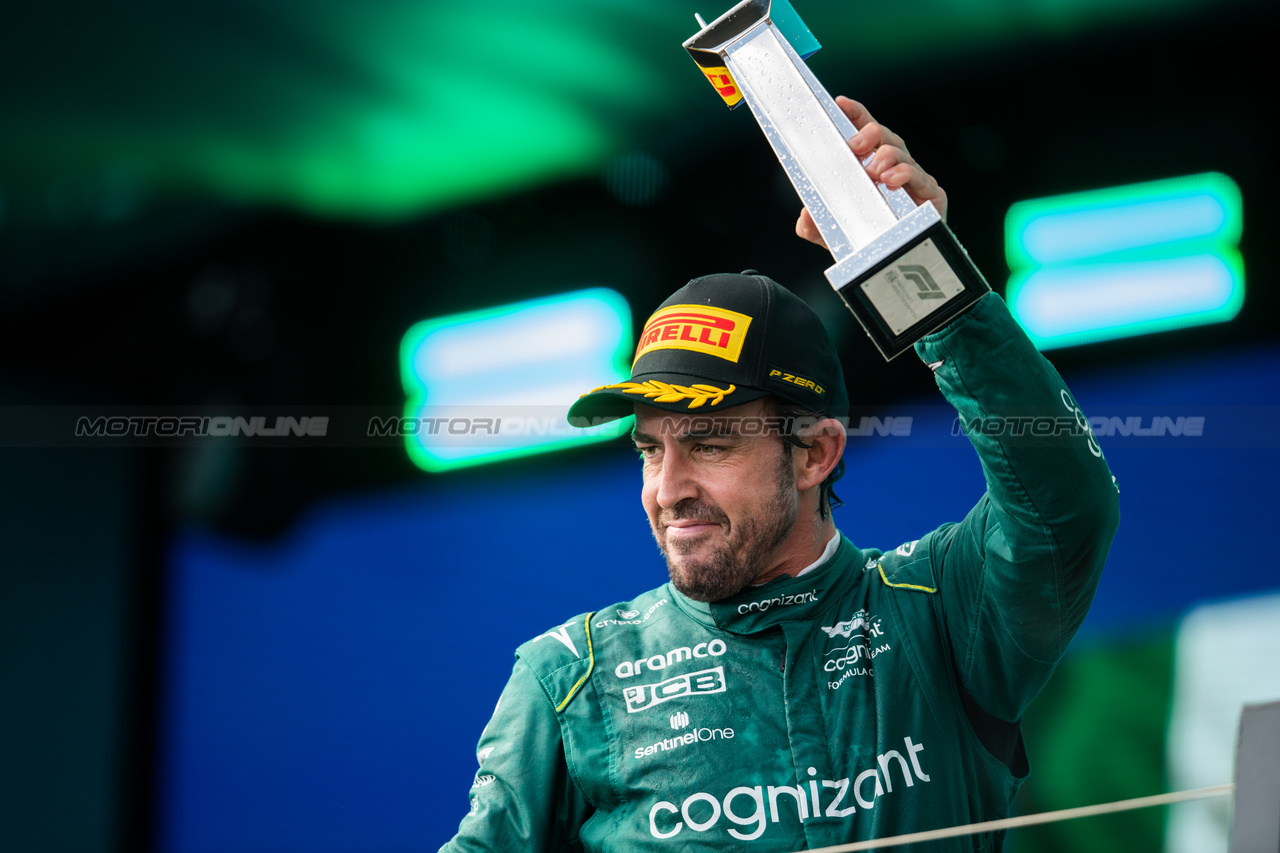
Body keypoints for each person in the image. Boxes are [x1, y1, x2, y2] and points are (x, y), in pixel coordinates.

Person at [441, 97, 1120, 851]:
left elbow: (1066, 504)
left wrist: (922, 274)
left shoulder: (939, 611)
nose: (667, 489)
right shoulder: (569, 678)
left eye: (709, 444)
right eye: (650, 449)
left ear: (815, 452)